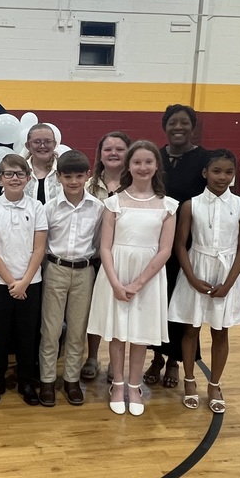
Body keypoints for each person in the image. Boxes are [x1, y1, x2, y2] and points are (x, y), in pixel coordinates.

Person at [86, 140, 177, 417]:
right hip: (116, 273)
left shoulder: (168, 206)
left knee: (139, 333)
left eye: (148, 162)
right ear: (129, 166)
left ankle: (135, 386)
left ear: (156, 166)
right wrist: (115, 282)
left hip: (147, 278)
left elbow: (165, 250)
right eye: (137, 162)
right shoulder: (113, 203)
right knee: (117, 332)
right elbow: (105, 247)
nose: (142, 167)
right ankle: (117, 384)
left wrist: (138, 283)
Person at [168, 150, 240, 414]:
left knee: (221, 330)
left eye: (229, 172)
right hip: (197, 268)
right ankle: (190, 379)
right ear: (205, 173)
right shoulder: (191, 205)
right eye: (217, 171)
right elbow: (180, 244)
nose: (223, 177)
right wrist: (192, 277)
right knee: (191, 329)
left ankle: (214, 384)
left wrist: (228, 284)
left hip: (227, 273)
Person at [145, 104, 210, 390]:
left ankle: (174, 362)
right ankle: (156, 357)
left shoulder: (205, 159)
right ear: (165, 126)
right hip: (155, 244)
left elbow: (217, 200)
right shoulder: (154, 157)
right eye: (173, 123)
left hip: (189, 245)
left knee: (180, 305)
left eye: (184, 123)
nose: (178, 128)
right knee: (157, 302)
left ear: (193, 126)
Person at [39, 150, 105, 407]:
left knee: (78, 330)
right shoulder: (49, 208)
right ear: (58, 177)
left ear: (88, 176)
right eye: (68, 176)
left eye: (79, 175)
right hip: (55, 269)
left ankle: (71, 380)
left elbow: (99, 243)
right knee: (51, 329)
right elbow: (42, 244)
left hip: (84, 271)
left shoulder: (98, 208)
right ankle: (47, 380)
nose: (74, 181)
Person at [0, 153, 47, 406]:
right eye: (9, 173)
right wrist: (12, 283)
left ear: (28, 178)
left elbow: (39, 249)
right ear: (0, 178)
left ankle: (26, 382)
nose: (14, 178)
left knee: (28, 335)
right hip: (2, 284)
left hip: (31, 282)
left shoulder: (37, 207)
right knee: (1, 334)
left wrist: (24, 282)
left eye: (20, 174)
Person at [81, 131, 130, 383]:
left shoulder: (136, 185)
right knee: (94, 309)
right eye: (108, 148)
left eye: (119, 149)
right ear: (100, 153)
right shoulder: (88, 185)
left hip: (123, 256)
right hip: (94, 257)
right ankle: (91, 357)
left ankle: (116, 360)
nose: (113, 153)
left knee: (120, 309)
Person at [22, 123, 62, 204]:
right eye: (37, 142)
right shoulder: (18, 171)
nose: (42, 146)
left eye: (48, 141)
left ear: (54, 144)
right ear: (28, 145)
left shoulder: (64, 170)